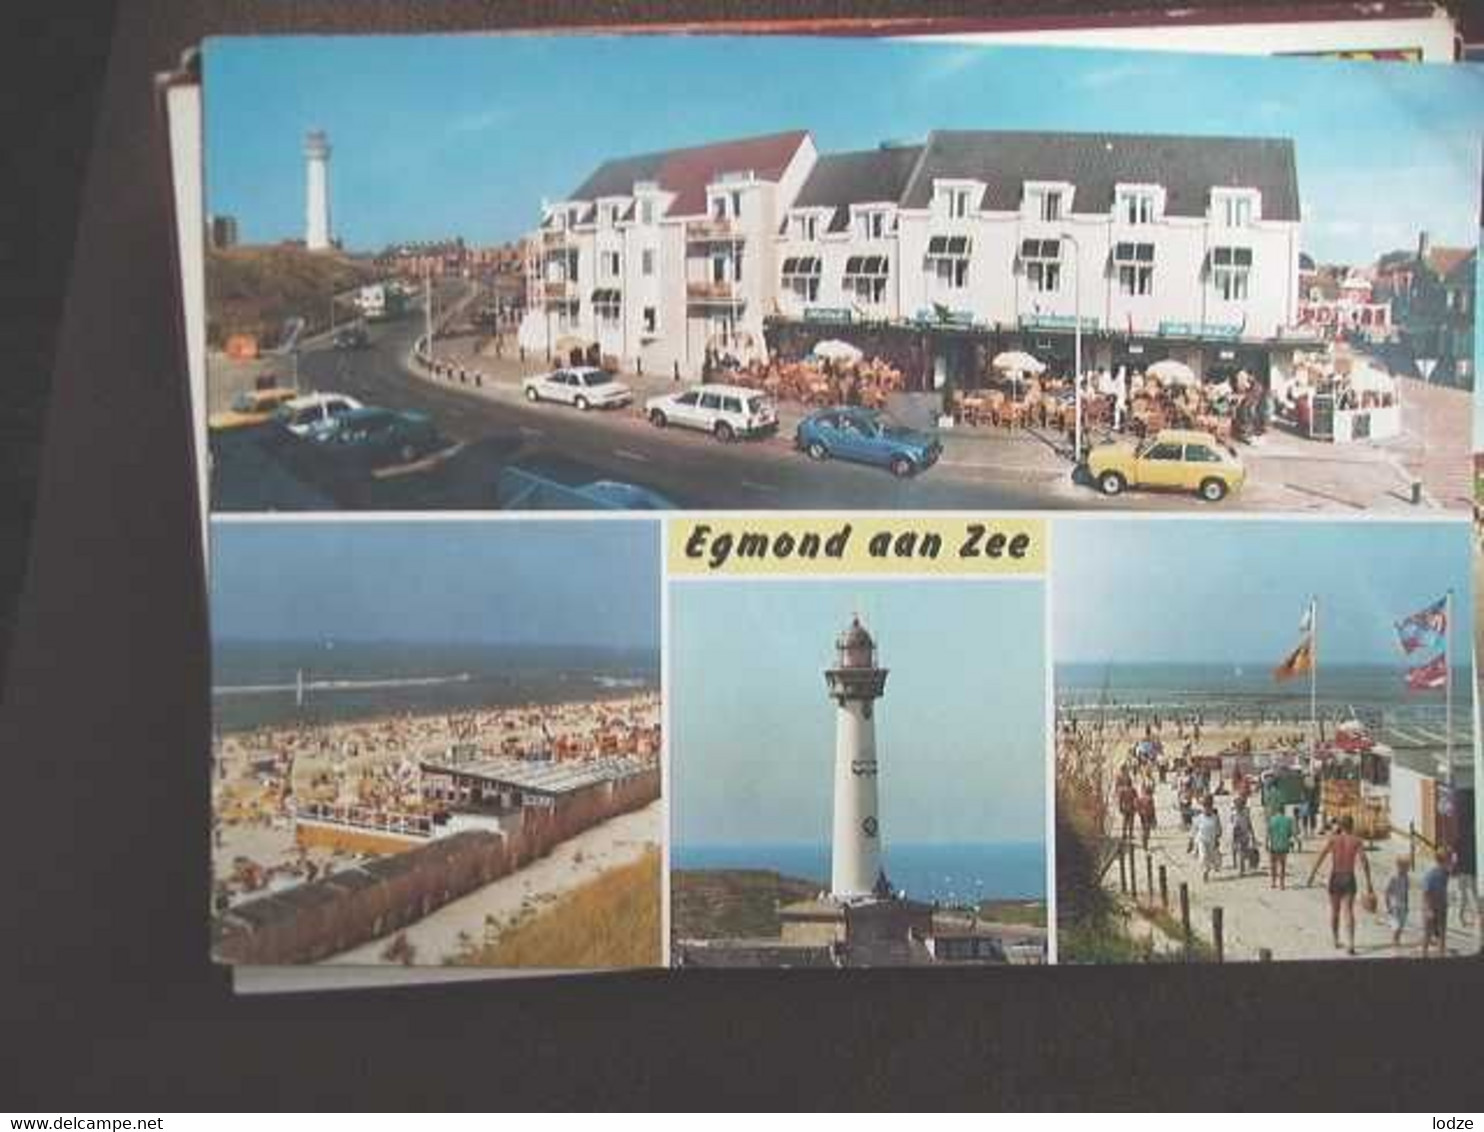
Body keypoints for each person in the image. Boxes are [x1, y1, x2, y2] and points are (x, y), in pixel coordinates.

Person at [1306, 815, 1374, 956]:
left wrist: (1312, 875)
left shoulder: (1333, 840)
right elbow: (1364, 862)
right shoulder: (1356, 841)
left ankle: (1336, 940)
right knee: (1348, 911)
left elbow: (1321, 856)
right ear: (1352, 825)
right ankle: (1351, 943)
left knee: (1335, 911)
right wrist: (1369, 883)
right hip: (1348, 876)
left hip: (1335, 876)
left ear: (1341, 826)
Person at [1423, 849, 1450, 958]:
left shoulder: (1446, 872)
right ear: (1443, 861)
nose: (1450, 862)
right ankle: (1424, 952)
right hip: (1432, 906)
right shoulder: (1431, 874)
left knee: (1442, 929)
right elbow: (1426, 892)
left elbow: (1444, 887)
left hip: (1442, 905)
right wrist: (1428, 909)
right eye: (1448, 860)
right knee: (1428, 932)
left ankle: (1441, 952)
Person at [1192, 796, 1223, 882]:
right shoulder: (1199, 817)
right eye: (1205, 806)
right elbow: (1194, 830)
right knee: (1203, 856)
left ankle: (1211, 867)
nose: (1207, 808)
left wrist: (1217, 837)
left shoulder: (1215, 817)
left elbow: (1219, 829)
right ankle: (1205, 872)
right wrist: (1193, 844)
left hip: (1212, 840)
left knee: (1214, 859)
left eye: (1208, 806)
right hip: (1202, 840)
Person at [1384, 856, 1411, 948]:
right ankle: (1395, 941)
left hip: (1402, 903)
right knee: (1397, 924)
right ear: (1400, 866)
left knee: (1402, 923)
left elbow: (1406, 891)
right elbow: (1386, 892)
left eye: (1408, 867)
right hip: (1394, 904)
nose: (1408, 868)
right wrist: (1387, 905)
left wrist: (1407, 904)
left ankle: (1397, 939)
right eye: (1407, 866)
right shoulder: (1393, 877)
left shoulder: (1406, 877)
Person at [1267, 804, 1294, 890]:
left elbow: (1269, 833)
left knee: (1273, 864)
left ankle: (1273, 882)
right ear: (1284, 811)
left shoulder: (1272, 819)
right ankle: (1282, 884)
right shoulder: (1288, 820)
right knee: (1282, 865)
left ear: (1277, 810)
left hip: (1274, 845)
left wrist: (1266, 843)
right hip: (1284, 845)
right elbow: (1290, 834)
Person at [1231, 800, 1256, 877]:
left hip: (1244, 835)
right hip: (1237, 835)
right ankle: (1240, 869)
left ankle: (1244, 866)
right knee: (1239, 851)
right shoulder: (1233, 814)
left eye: (1239, 806)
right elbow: (1231, 825)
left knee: (1243, 851)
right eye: (1237, 806)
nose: (1237, 807)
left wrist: (1253, 835)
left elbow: (1249, 824)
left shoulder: (1245, 814)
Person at [1136, 784, 1156, 850]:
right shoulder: (1150, 799)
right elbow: (1152, 808)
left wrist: (1139, 812)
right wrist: (1154, 816)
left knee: (1144, 827)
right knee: (1147, 828)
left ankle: (1144, 839)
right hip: (1148, 815)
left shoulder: (1140, 798)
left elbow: (1137, 805)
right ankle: (1145, 840)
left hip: (1142, 814)